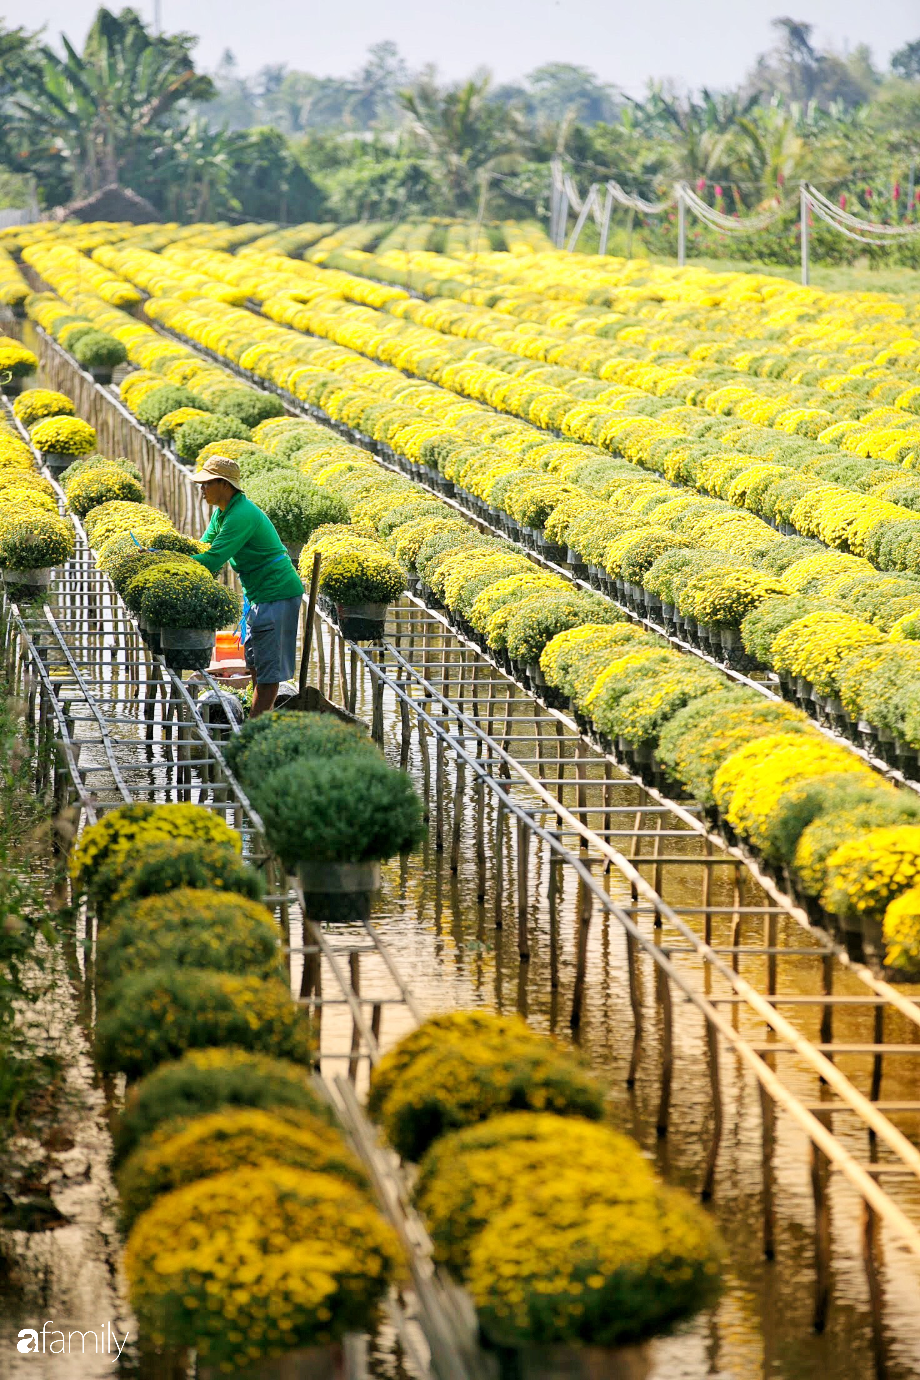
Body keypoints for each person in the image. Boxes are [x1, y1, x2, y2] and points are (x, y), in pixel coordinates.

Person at [189, 454, 303, 719]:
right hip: (258, 594)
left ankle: (254, 732)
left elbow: (213, 558)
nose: (202, 488)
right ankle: (258, 722)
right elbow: (203, 547)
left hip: (277, 593)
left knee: (268, 671)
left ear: (225, 485)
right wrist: (170, 552)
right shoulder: (222, 513)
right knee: (255, 663)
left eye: (207, 483)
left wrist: (170, 560)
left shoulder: (241, 514)